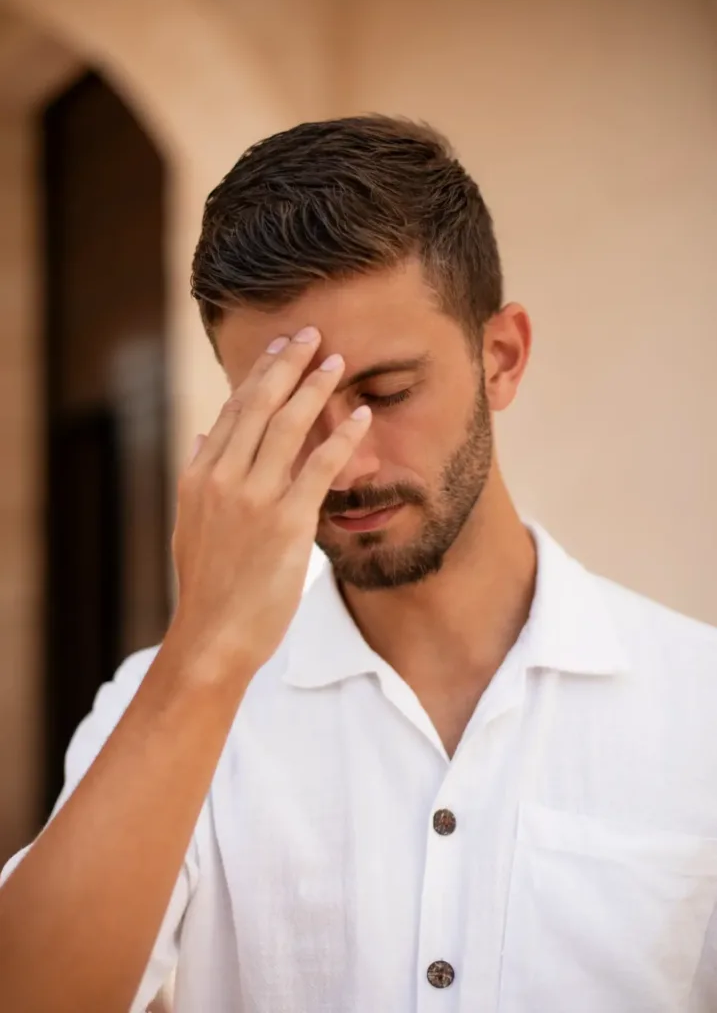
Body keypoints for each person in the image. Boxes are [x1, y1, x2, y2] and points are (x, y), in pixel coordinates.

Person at [1, 115, 716, 1013]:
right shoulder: (164, 705)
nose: (348, 462)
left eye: (385, 394)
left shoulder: (699, 704)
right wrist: (207, 652)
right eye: (289, 412)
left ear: (501, 357)